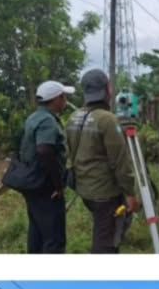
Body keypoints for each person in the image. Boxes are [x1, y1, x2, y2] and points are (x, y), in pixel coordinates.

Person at [68, 69, 139, 253]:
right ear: (108, 89)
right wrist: (130, 193)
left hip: (85, 189)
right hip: (105, 194)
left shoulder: (74, 117)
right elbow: (120, 162)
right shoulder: (107, 120)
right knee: (105, 242)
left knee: (103, 229)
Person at [16, 80, 73, 253]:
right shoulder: (48, 121)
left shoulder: (34, 117)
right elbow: (44, 150)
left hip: (32, 183)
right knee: (54, 238)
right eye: (63, 97)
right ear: (56, 99)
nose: (65, 100)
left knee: (37, 231)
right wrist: (57, 185)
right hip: (46, 187)